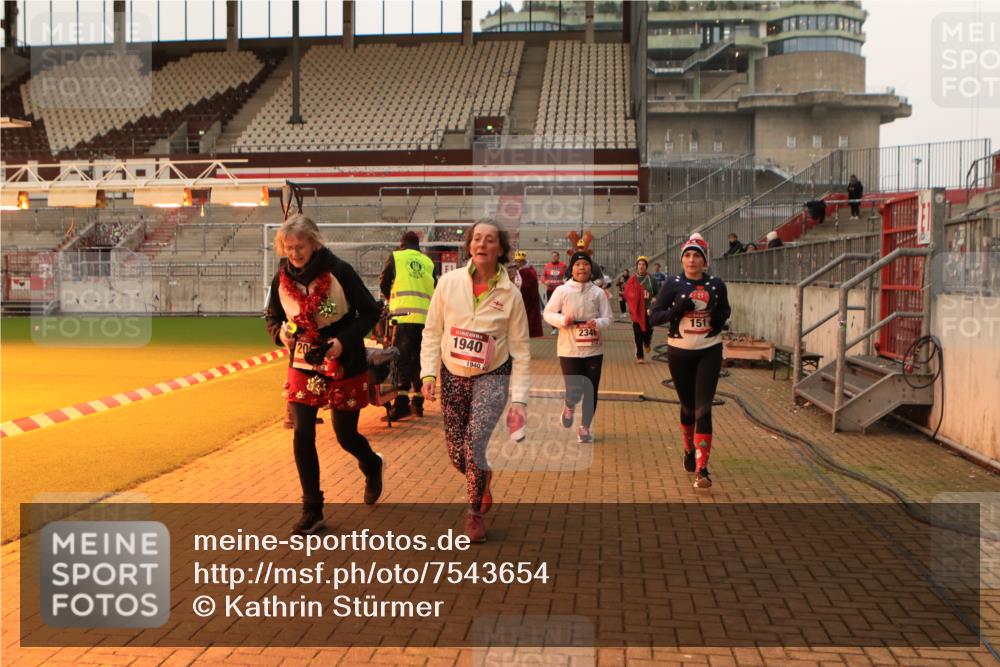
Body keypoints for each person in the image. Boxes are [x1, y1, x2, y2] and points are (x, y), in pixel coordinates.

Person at [265, 215, 385, 535]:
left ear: (314, 242)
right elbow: (273, 317)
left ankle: (372, 464)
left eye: (300, 246)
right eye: (288, 248)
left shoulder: (339, 271)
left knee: (346, 435)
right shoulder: (281, 277)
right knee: (303, 432)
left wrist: (342, 341)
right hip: (304, 363)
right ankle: (312, 509)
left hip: (343, 362)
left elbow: (371, 310)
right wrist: (281, 335)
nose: (294, 254)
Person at [420, 219, 530, 543]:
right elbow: (432, 331)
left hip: (493, 376)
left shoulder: (511, 295)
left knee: (474, 444)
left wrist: (520, 400)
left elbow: (522, 352)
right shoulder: (448, 283)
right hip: (453, 375)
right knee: (458, 453)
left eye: (490, 240)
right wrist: (428, 372)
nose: (482, 244)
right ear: (469, 245)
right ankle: (481, 478)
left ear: (501, 249)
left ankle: (473, 515)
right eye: (477, 239)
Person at [649, 232, 731, 489]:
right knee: (687, 408)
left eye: (697, 256)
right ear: (682, 260)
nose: (692, 260)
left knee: (702, 409)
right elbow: (654, 317)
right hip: (680, 351)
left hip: (709, 350)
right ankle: (688, 449)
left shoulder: (716, 284)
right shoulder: (672, 284)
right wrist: (677, 309)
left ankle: (702, 469)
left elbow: (726, 309)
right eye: (688, 255)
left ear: (705, 261)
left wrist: (718, 319)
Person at [543, 249, 612, 443]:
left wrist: (597, 323)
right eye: (578, 265)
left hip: (593, 349)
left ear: (592, 268)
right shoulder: (562, 291)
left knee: (591, 389)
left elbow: (609, 318)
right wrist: (563, 319)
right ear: (572, 269)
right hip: (569, 348)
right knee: (574, 389)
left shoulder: (598, 293)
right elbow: (548, 313)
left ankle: (585, 427)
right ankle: (569, 405)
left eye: (586, 264)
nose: (582, 268)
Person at [379, 230, 436, 421]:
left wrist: (390, 299)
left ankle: (401, 405)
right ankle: (418, 404)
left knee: (400, 361)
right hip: (425, 320)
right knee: (419, 361)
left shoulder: (396, 257)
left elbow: (384, 282)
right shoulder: (428, 262)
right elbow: (434, 287)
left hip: (403, 318)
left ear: (401, 244)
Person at [623, 256, 656, 364]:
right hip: (636, 311)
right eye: (639, 264)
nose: (641, 266)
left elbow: (657, 292)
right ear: (637, 266)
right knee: (637, 333)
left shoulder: (651, 279)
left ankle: (647, 342)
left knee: (648, 330)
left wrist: (655, 298)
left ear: (646, 266)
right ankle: (640, 356)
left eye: (643, 265)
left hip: (648, 309)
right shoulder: (632, 279)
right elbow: (626, 293)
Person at [514, 250, 545, 338]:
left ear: (523, 261)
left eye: (520, 261)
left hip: (527, 299)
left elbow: (529, 286)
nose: (518, 263)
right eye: (517, 261)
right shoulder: (517, 270)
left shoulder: (529, 271)